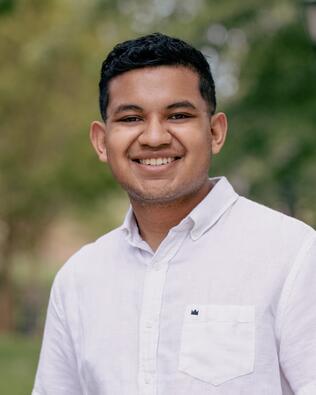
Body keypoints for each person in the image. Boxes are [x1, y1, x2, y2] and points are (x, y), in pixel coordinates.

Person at [32, 33, 316, 395]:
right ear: (102, 142)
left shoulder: (293, 256)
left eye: (178, 115)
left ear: (215, 132)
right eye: (131, 118)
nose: (153, 137)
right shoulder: (78, 279)